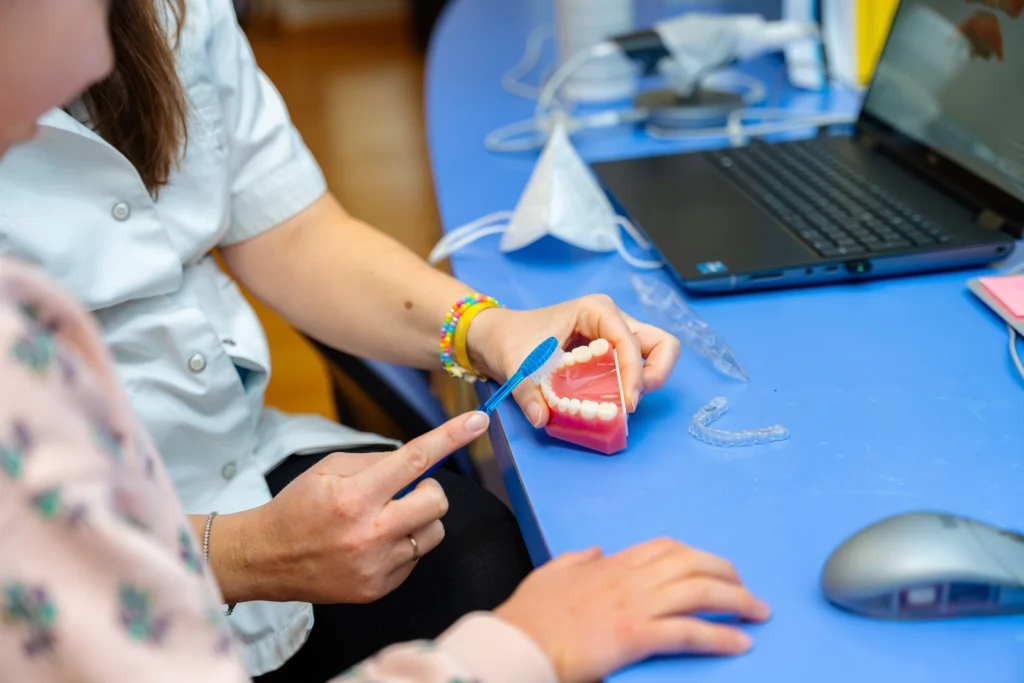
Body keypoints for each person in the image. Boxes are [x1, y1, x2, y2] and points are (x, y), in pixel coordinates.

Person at [0, 0, 771, 681]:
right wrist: (528, 645)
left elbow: (288, 228)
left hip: (221, 467)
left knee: (478, 551)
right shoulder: (28, 344)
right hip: (144, 571)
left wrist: (485, 328)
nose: (104, 54)